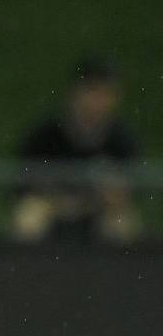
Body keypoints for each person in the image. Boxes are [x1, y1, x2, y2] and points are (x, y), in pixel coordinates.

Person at [12, 56, 140, 244]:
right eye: (92, 92)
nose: (97, 102)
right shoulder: (45, 134)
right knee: (29, 217)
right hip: (52, 207)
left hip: (96, 210)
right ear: (73, 94)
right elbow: (24, 186)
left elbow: (127, 192)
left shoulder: (121, 140)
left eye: (105, 94)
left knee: (121, 223)